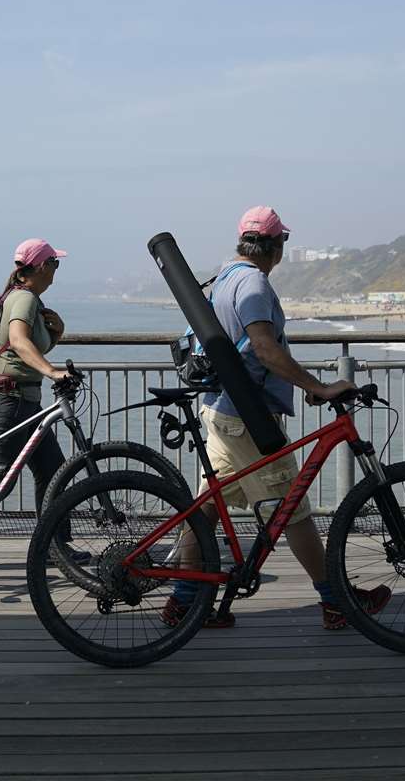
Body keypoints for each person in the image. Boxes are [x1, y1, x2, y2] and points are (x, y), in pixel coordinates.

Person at [162, 206, 391, 630]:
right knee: (292, 509)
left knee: (208, 509)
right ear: (278, 245)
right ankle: (336, 600)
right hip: (247, 419)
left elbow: (256, 352)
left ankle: (183, 602)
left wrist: (298, 382)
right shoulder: (252, 283)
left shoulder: (227, 275)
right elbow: (264, 348)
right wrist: (317, 387)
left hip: (221, 409)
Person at [0, 238, 89, 572]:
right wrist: (53, 372)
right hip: (6, 400)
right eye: (54, 263)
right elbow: (20, 343)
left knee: (53, 470)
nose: (55, 270)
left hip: (24, 400)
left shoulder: (24, 298)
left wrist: (56, 335)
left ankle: (54, 545)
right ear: (38, 267)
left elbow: (21, 350)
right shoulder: (23, 298)